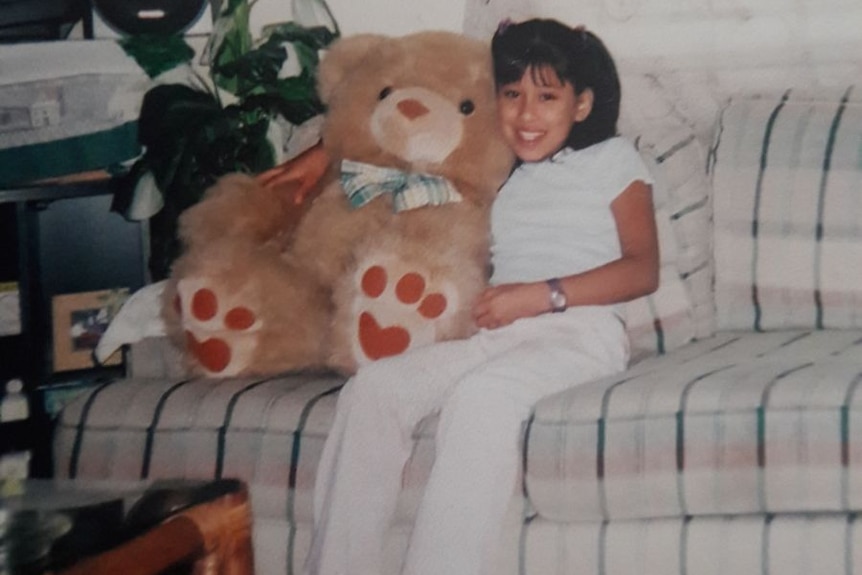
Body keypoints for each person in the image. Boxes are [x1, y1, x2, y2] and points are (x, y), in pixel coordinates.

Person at [266, 18, 659, 575]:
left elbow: (643, 269)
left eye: (547, 97)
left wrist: (541, 296)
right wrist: (321, 154)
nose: (526, 114)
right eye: (512, 94)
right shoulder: (504, 166)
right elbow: (396, 147)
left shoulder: (613, 160)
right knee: (374, 390)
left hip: (581, 333)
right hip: (496, 332)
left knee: (483, 399)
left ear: (582, 104)